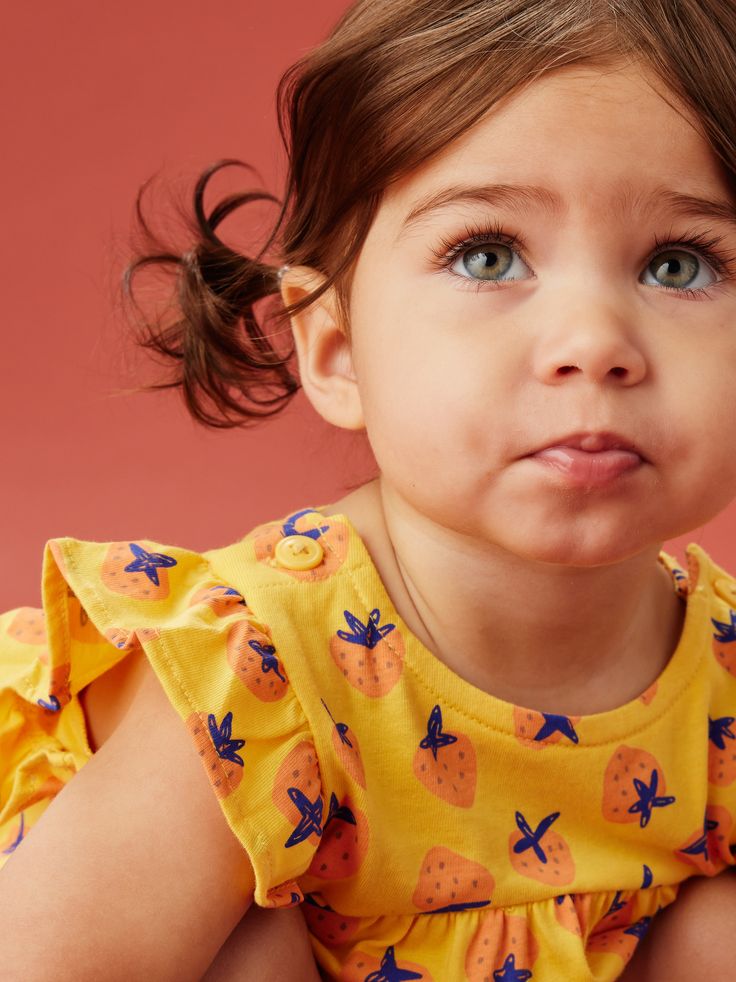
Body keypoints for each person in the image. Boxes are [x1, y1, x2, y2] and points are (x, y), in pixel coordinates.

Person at [1, 0, 736, 978]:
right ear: (336, 350)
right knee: (249, 935)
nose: (593, 344)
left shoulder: (719, 672)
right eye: (487, 255)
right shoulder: (259, 670)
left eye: (677, 264)